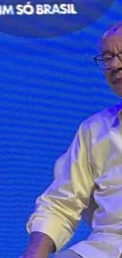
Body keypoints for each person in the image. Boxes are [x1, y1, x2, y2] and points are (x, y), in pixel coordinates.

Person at [21, 23, 122, 258]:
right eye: (108, 57)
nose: (115, 65)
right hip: (107, 248)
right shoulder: (94, 130)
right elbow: (60, 204)